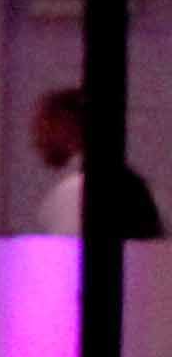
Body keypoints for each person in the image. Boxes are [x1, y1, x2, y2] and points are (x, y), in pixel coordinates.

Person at [32, 85, 165, 240]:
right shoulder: (135, 186)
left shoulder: (77, 191)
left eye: (45, 128)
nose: (37, 141)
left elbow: (66, 257)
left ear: (66, 127)